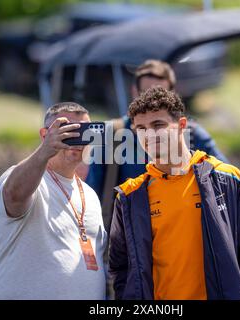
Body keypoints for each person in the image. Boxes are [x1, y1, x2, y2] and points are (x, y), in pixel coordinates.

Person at [108, 87, 240, 300]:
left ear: (182, 126)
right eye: (141, 128)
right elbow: (120, 267)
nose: (149, 135)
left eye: (158, 125)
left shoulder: (226, 177)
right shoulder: (129, 195)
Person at [0, 102, 107, 300]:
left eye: (84, 131)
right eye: (66, 131)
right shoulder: (24, 179)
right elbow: (14, 195)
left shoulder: (89, 194)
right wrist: (45, 151)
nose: (77, 139)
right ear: (45, 135)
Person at [86, 59, 228, 231]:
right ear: (134, 92)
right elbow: (90, 196)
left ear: (173, 94)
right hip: (128, 239)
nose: (152, 101)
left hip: (181, 233)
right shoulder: (111, 135)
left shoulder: (193, 135)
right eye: (145, 92)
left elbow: (226, 186)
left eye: (160, 93)